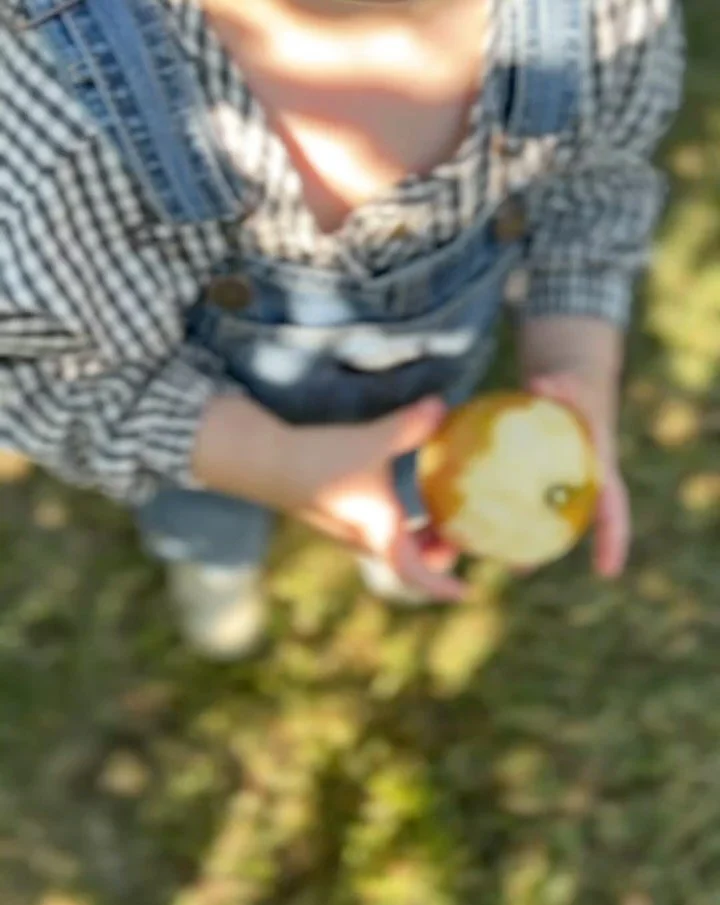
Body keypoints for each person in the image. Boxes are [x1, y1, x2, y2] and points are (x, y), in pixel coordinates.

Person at [0, 0, 683, 656]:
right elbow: (40, 373)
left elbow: (595, 187)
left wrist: (574, 368)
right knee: (209, 521)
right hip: (207, 447)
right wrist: (272, 464)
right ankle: (219, 569)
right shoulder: (51, 104)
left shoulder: (601, 19)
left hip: (430, 404)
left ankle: (396, 531)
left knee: (415, 478)